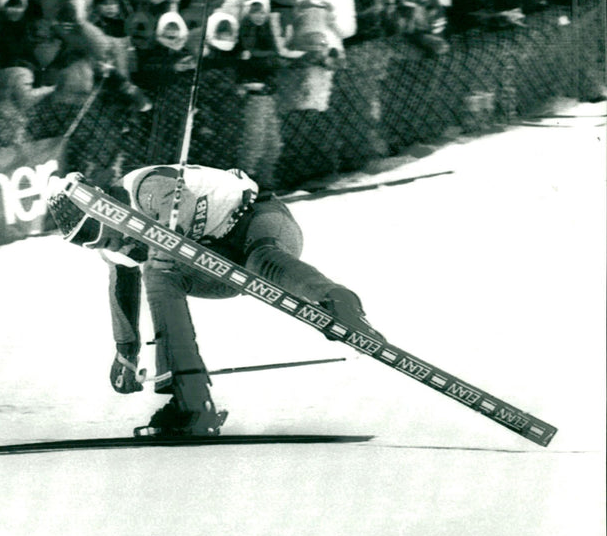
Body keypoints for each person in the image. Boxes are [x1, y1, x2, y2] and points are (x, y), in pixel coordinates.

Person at [47, 164, 384, 436]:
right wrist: (126, 354)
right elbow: (121, 290)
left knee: (261, 259)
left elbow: (184, 204)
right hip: (218, 264)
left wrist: (166, 234)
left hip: (259, 221)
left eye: (98, 233)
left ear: (108, 207)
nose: (107, 245)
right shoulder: (117, 248)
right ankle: (191, 401)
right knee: (158, 273)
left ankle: (338, 303)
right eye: (88, 243)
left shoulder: (143, 187)